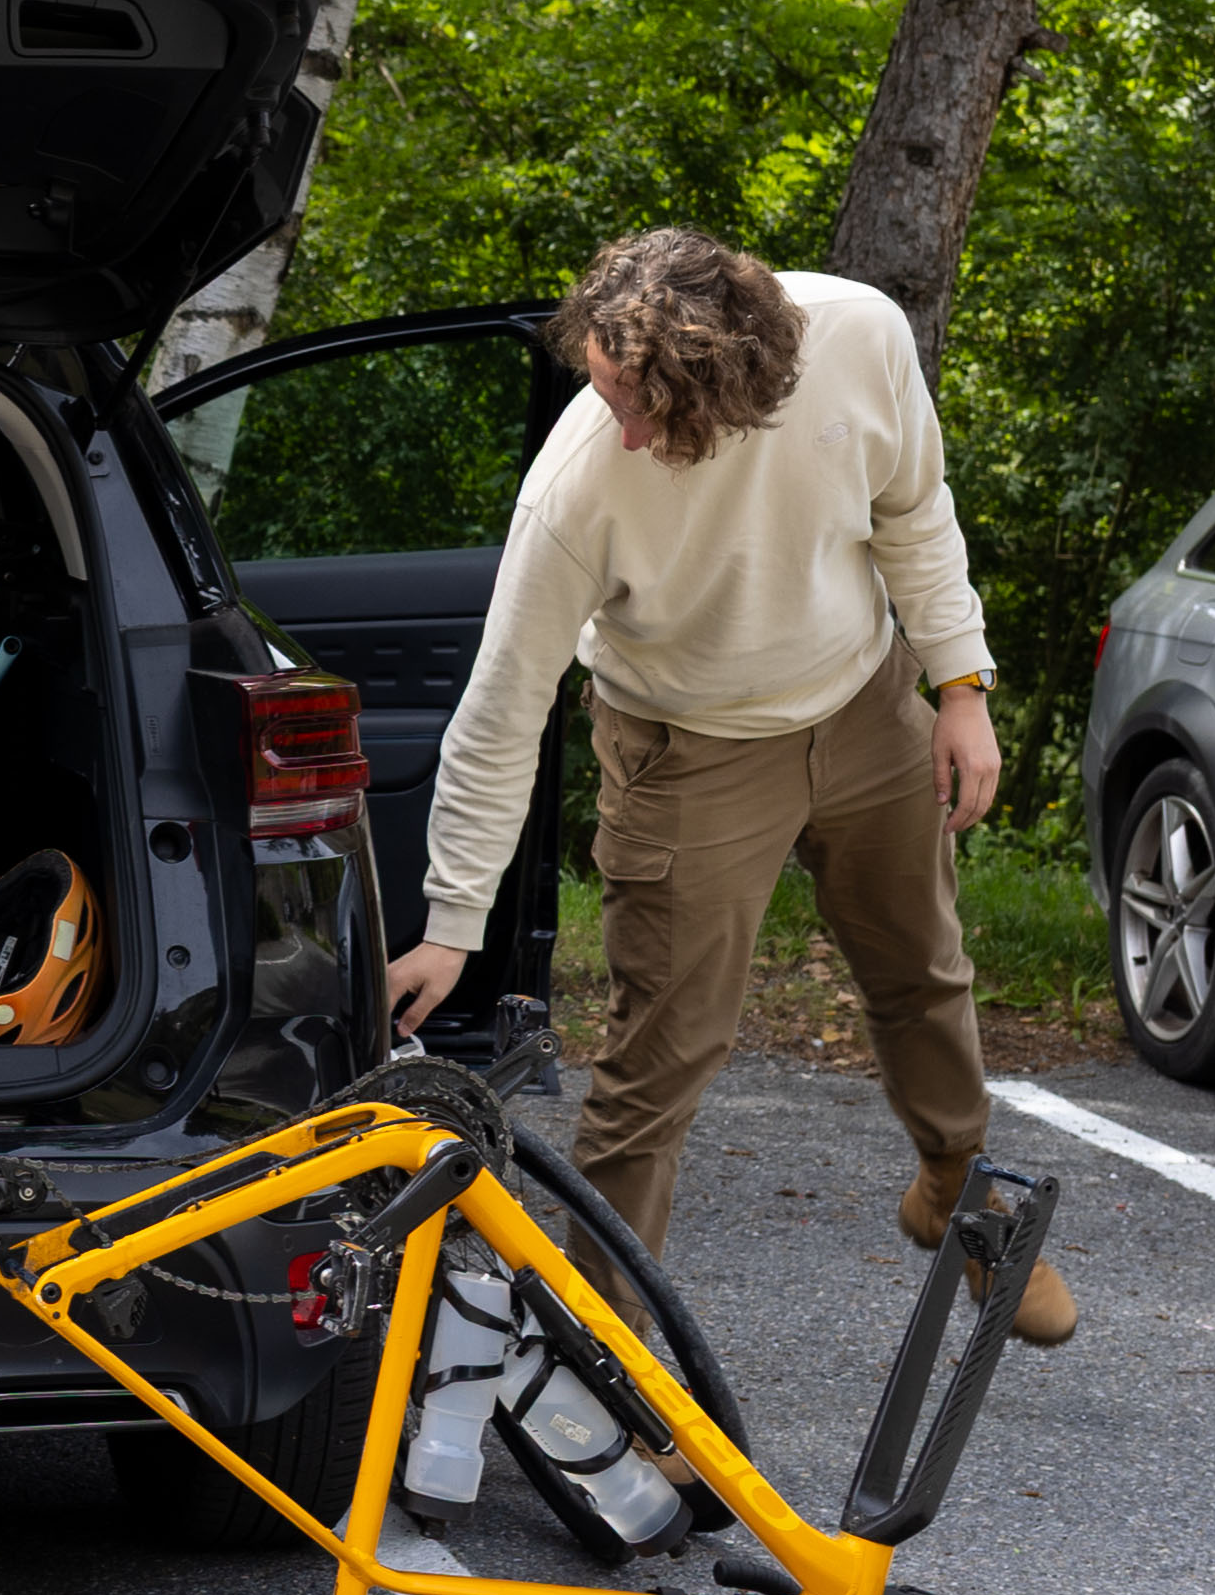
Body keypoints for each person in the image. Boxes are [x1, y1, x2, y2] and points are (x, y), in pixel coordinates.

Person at [381, 229, 1077, 1346]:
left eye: (645, 407)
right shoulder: (579, 484)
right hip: (685, 752)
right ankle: (606, 1358)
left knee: (925, 974)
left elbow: (913, 509)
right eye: (604, 388)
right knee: (656, 1064)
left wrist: (961, 685)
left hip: (862, 702)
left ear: (737, 391)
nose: (622, 426)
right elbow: (505, 707)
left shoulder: (861, 336)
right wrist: (452, 923)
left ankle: (959, 1195)